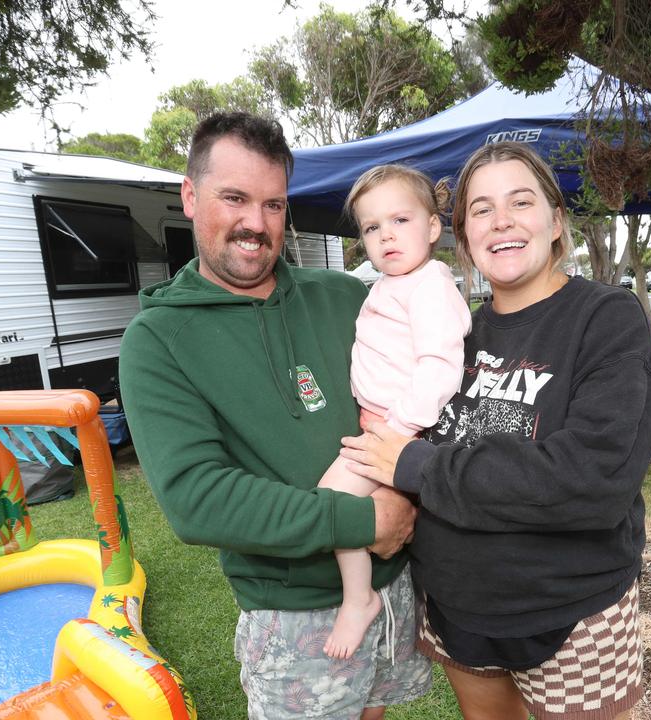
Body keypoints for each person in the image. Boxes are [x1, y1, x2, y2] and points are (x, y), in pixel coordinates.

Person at [119, 112, 431, 720]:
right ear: (189, 195)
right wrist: (364, 521)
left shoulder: (346, 297)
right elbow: (198, 499)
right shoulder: (158, 340)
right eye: (234, 198)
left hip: (394, 589)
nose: (255, 224)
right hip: (294, 614)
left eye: (274, 205)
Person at [341, 141, 651, 720]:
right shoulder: (453, 333)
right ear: (462, 236)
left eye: (521, 201)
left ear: (556, 220)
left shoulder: (605, 318)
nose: (503, 221)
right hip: (457, 605)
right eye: (482, 209)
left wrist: (415, 466)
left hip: (570, 611)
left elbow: (594, 478)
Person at [319, 165, 471, 660]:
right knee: (357, 511)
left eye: (400, 220)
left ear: (432, 228)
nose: (385, 235)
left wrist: (398, 430)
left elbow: (439, 366)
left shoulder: (430, 285)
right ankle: (366, 595)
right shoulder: (389, 285)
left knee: (333, 502)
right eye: (371, 227)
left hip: (401, 429)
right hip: (383, 423)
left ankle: (358, 599)